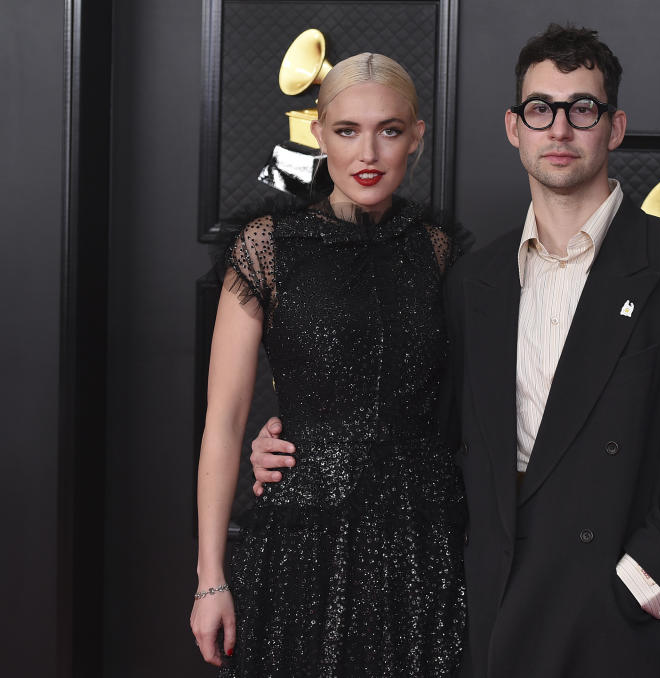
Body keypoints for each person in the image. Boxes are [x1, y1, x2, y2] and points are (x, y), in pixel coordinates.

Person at [252, 24, 660, 678]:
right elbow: (426, 429)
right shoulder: (472, 280)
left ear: (616, 127)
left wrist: (650, 574)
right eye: (541, 109)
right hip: (491, 601)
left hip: (618, 610)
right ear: (516, 128)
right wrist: (305, 441)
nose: (561, 129)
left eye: (584, 109)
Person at [190, 52, 466, 677]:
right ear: (318, 133)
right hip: (302, 544)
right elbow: (224, 424)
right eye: (347, 131)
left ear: (416, 138)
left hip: (423, 544)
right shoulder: (267, 246)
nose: (367, 152)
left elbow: (464, 407)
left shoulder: (438, 251)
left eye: (389, 130)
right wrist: (211, 579)